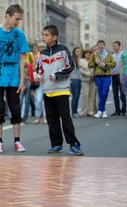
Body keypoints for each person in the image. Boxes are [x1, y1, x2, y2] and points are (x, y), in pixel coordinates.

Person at [0, 4, 29, 153]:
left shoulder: (19, 35)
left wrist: (22, 80)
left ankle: (17, 141)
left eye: (20, 20)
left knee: (15, 110)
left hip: (13, 79)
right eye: (16, 19)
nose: (17, 22)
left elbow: (22, 58)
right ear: (7, 16)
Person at [36, 25, 83, 156]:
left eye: (46, 35)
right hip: (47, 90)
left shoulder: (63, 50)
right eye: (43, 35)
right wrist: (38, 76)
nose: (43, 37)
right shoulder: (43, 53)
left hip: (61, 89)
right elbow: (38, 69)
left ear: (54, 37)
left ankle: (74, 144)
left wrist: (57, 75)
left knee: (65, 118)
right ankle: (56, 144)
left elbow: (71, 66)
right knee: (52, 119)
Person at [88, 40, 116, 119]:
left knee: (104, 93)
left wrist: (105, 64)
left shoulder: (109, 54)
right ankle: (103, 111)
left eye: (102, 44)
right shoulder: (94, 54)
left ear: (104, 45)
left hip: (107, 76)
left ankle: (101, 110)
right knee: (100, 93)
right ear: (97, 46)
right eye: (99, 44)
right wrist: (95, 63)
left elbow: (114, 64)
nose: (100, 46)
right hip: (97, 76)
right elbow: (89, 65)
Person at [79, 49, 97, 117]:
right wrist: (88, 74)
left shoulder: (93, 61)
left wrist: (94, 74)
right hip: (85, 80)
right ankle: (83, 111)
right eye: (86, 53)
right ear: (84, 54)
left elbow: (96, 69)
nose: (88, 54)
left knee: (92, 96)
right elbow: (80, 70)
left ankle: (90, 111)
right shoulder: (81, 61)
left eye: (90, 53)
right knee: (85, 95)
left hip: (93, 80)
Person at [110, 41, 126, 116]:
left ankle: (124, 110)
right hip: (114, 76)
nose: (114, 47)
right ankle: (117, 110)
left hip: (122, 76)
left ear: (119, 46)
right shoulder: (112, 55)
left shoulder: (123, 54)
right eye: (113, 46)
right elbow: (110, 65)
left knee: (123, 94)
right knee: (115, 94)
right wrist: (110, 71)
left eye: (115, 45)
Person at [69, 47, 82, 118]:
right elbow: (69, 69)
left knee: (77, 96)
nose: (78, 52)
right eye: (77, 51)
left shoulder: (79, 59)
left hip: (79, 79)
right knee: (75, 96)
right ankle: (74, 112)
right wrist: (69, 79)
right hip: (74, 79)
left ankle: (76, 111)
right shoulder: (72, 59)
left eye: (79, 51)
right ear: (74, 52)